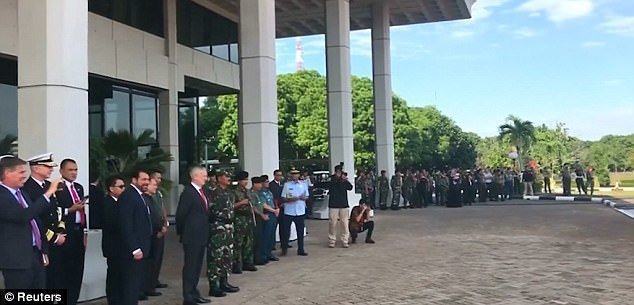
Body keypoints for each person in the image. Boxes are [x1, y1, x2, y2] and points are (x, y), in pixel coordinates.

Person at [0, 155, 61, 289]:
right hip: (16, 260)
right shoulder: (2, 196)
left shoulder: (22, 194)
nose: (24, 176)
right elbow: (23, 216)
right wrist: (48, 193)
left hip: (34, 256)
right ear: (7, 173)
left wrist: (43, 250)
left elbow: (36, 222)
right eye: (21, 172)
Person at [21, 153, 67, 289]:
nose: (51, 170)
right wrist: (53, 237)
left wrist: (60, 230)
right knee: (42, 283)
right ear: (35, 168)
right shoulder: (26, 188)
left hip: (57, 239)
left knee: (56, 280)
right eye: (47, 166)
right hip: (41, 242)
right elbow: (34, 219)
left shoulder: (49, 185)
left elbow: (57, 210)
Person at [175, 166, 212, 305]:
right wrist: (184, 232)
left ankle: (194, 292)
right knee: (190, 266)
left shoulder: (202, 192)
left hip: (201, 235)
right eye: (203, 176)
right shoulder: (188, 193)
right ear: (195, 176)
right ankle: (188, 295)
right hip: (192, 236)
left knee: (197, 266)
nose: (206, 178)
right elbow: (181, 215)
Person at [118, 169, 153, 305]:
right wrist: (134, 248)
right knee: (130, 286)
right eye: (143, 179)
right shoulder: (129, 196)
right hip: (133, 250)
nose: (147, 182)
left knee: (135, 284)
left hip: (142, 247)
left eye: (148, 180)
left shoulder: (140, 196)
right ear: (134, 180)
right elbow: (126, 224)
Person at [55, 159, 87, 305]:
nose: (74, 173)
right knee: (64, 269)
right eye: (70, 170)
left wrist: (85, 231)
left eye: (75, 170)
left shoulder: (79, 188)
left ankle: (73, 299)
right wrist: (69, 210)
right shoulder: (57, 188)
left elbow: (83, 211)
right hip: (65, 232)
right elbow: (53, 212)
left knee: (77, 267)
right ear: (62, 171)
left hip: (78, 232)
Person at [207, 170, 239, 297]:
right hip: (218, 226)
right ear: (219, 178)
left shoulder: (230, 192)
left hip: (229, 227)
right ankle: (214, 286)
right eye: (226, 176)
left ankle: (224, 282)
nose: (229, 178)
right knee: (216, 257)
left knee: (227, 255)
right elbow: (210, 210)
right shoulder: (213, 192)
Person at [101, 175, 126, 305]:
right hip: (113, 245)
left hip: (122, 246)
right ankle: (114, 300)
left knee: (121, 273)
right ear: (111, 188)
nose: (123, 189)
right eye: (120, 187)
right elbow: (111, 223)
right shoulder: (107, 203)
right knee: (114, 274)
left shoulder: (121, 202)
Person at [316, 164, 353, 248]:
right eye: (338, 172)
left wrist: (345, 180)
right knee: (332, 223)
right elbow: (325, 184)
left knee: (344, 223)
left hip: (343, 204)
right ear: (336, 172)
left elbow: (350, 187)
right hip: (333, 204)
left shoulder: (344, 180)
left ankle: (345, 240)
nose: (340, 173)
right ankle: (332, 240)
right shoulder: (332, 179)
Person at [141, 178, 164, 299]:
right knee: (148, 263)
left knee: (154, 261)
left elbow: (159, 213)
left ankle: (150, 285)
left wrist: (163, 226)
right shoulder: (143, 199)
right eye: (153, 185)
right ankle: (144, 288)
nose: (156, 187)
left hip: (157, 233)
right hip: (150, 234)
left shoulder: (153, 198)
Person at [232, 170, 257, 273]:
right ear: (239, 180)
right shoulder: (234, 192)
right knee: (238, 243)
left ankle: (248, 262)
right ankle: (236, 264)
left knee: (248, 242)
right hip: (239, 219)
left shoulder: (247, 191)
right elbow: (231, 206)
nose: (246, 181)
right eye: (244, 180)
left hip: (248, 218)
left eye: (247, 179)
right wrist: (241, 203)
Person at [281, 168, 309, 256]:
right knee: (286, 231)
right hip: (289, 210)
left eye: (296, 174)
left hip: (300, 210)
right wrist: (291, 199)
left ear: (299, 175)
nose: (294, 176)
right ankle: (284, 248)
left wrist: (303, 198)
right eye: (293, 174)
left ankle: (301, 249)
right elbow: (283, 197)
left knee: (300, 231)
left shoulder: (303, 184)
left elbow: (307, 196)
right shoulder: (287, 185)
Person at [149, 171, 169, 290]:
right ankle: (150, 282)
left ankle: (155, 280)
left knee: (159, 257)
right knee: (153, 258)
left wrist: (165, 223)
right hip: (154, 230)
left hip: (161, 226)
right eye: (157, 178)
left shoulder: (158, 193)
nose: (159, 181)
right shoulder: (148, 195)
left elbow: (162, 208)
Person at [259, 175, 279, 263]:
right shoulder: (260, 193)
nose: (267, 183)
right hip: (267, 214)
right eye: (266, 182)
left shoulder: (269, 192)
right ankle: (263, 255)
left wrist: (276, 208)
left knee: (272, 236)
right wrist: (274, 210)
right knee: (266, 236)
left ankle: (269, 253)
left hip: (273, 214)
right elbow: (264, 205)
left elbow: (274, 201)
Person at [268, 169, 286, 250]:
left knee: (283, 227)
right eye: (278, 175)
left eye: (280, 175)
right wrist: (277, 205)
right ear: (274, 175)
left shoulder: (282, 184)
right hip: (275, 208)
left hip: (283, 208)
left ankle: (284, 243)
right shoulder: (271, 185)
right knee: (273, 227)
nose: (279, 177)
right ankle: (272, 245)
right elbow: (274, 197)